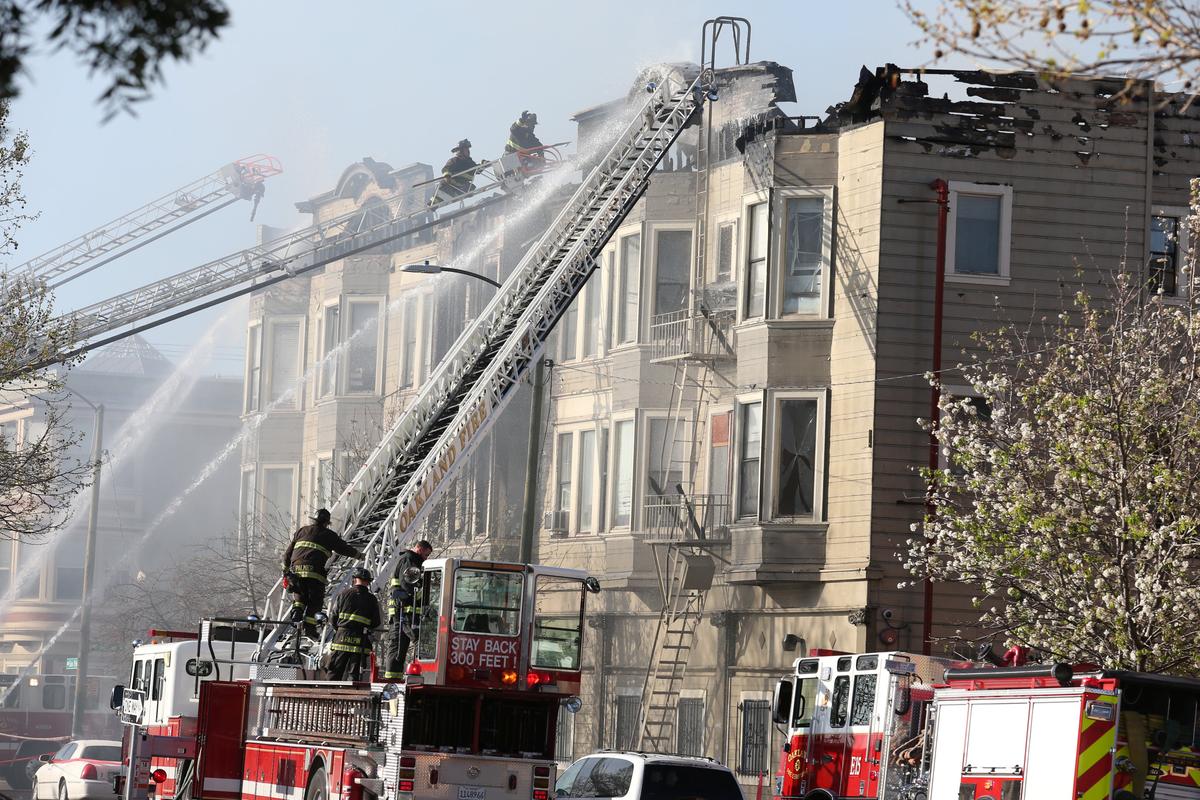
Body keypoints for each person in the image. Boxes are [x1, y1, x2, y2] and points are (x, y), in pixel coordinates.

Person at [281, 508, 362, 637]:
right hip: (315, 573)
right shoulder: (329, 535)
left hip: (296, 573)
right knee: (315, 602)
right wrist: (359, 555)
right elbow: (343, 549)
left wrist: (285, 571)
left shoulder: (301, 531)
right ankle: (310, 630)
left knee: (300, 597)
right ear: (326, 523)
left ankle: (296, 613)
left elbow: (287, 554)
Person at [382, 539, 434, 679]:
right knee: (415, 642)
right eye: (426, 554)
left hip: (403, 611)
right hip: (404, 611)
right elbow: (409, 587)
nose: (426, 558)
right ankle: (399, 679)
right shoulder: (410, 560)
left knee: (399, 647)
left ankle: (395, 678)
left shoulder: (411, 561)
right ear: (419, 549)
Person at [324, 567, 382, 682]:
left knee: (334, 672)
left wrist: (341, 629)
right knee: (354, 675)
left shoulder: (343, 594)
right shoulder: (372, 599)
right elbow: (376, 622)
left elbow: (333, 618)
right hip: (360, 640)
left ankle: (329, 696)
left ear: (354, 579)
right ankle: (353, 698)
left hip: (342, 638)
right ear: (368, 582)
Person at [430, 139, 479, 206]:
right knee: (441, 190)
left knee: (471, 187)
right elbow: (446, 169)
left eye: (468, 149)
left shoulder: (469, 162)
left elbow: (477, 169)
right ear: (460, 151)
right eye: (466, 149)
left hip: (463, 186)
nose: (468, 151)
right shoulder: (454, 161)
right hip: (452, 184)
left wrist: (484, 164)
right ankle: (432, 204)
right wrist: (447, 176)